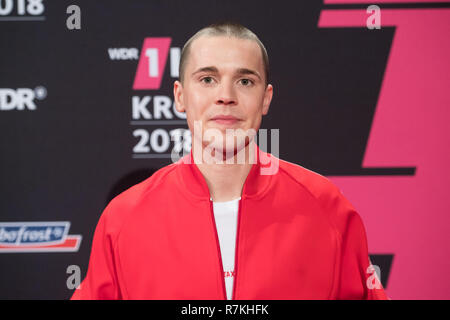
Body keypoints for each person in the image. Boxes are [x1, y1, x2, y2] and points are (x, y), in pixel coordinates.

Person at [71, 22, 388, 300]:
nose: (226, 95)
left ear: (266, 98)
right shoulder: (122, 220)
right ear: (180, 96)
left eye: (245, 81)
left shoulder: (328, 208)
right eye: (207, 79)